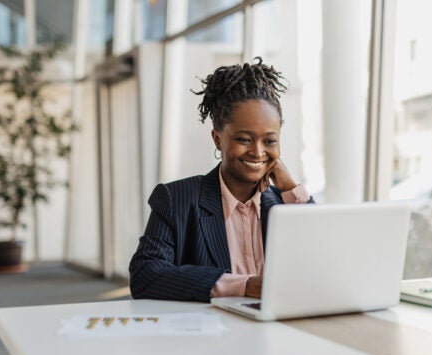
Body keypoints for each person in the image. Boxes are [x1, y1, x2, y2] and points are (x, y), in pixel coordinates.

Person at [129, 58, 315, 303]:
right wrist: (244, 285)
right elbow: (145, 276)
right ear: (218, 139)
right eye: (244, 139)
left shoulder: (286, 204)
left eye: (269, 141)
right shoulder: (177, 200)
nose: (258, 152)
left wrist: (292, 189)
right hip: (212, 335)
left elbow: (329, 264)